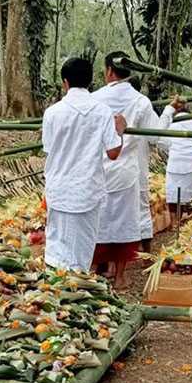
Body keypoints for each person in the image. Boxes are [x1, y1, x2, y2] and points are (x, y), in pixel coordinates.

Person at [92, 51, 177, 287]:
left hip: (98, 170)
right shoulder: (140, 101)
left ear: (109, 70)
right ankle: (119, 276)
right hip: (126, 172)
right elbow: (156, 136)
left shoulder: (95, 99)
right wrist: (169, 111)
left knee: (98, 219)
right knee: (124, 223)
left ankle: (93, 270)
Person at [42, 57, 125, 272]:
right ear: (90, 82)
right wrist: (120, 132)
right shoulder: (102, 112)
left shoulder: (52, 113)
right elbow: (113, 152)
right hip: (87, 189)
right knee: (82, 247)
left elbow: (50, 151)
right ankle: (77, 286)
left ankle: (55, 291)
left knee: (56, 247)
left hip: (59, 188)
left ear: (65, 83)